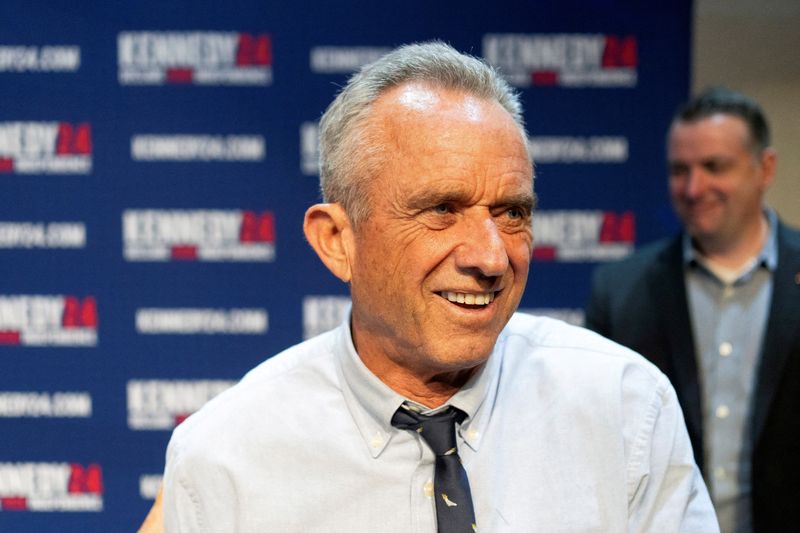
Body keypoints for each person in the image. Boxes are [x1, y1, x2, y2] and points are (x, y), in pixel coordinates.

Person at [160, 41, 717, 532]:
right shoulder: (224, 458)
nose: (491, 256)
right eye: (442, 210)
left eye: (512, 213)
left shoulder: (626, 408)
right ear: (336, 240)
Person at [585, 87, 800, 533]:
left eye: (714, 167)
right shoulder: (622, 290)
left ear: (765, 168)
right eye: (679, 170)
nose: (694, 188)